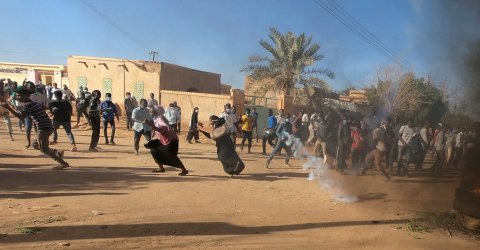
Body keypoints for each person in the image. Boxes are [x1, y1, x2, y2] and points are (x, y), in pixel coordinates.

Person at [1, 86, 69, 169]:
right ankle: (57, 152)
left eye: (19, 95)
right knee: (35, 144)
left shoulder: (28, 105)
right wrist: (11, 106)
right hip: (48, 126)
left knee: (43, 149)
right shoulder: (32, 103)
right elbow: (22, 111)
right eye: (17, 95)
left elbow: (22, 117)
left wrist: (9, 108)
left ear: (26, 96)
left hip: (43, 128)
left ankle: (63, 163)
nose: (17, 97)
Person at [144, 105, 189, 176]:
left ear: (157, 111)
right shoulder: (156, 118)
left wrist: (152, 126)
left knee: (171, 156)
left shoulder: (160, 119)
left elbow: (162, 129)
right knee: (154, 150)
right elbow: (157, 128)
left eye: (152, 110)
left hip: (171, 140)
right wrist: (152, 128)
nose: (150, 112)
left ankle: (184, 170)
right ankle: (161, 168)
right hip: (164, 140)